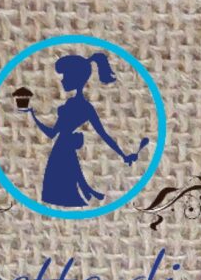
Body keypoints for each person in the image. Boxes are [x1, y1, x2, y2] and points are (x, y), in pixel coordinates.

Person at [26, 51, 142, 207]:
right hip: (61, 149)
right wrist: (32, 116)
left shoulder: (84, 107)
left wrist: (123, 154)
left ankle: (87, 195)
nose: (62, 81)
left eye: (65, 76)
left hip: (62, 150)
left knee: (62, 192)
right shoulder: (71, 105)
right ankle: (88, 193)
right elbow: (53, 133)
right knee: (65, 189)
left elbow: (103, 134)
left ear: (76, 79)